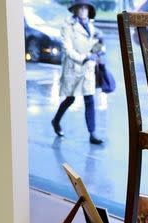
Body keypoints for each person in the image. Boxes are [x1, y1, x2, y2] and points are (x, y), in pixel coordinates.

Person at [51, 0, 103, 144]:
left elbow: (93, 46)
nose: (82, 10)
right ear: (74, 9)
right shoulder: (67, 25)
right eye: (79, 7)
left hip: (87, 68)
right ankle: (56, 121)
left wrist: (98, 50)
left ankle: (92, 134)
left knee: (89, 99)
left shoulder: (90, 25)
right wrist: (84, 57)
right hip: (73, 67)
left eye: (85, 8)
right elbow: (67, 49)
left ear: (89, 10)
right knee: (70, 98)